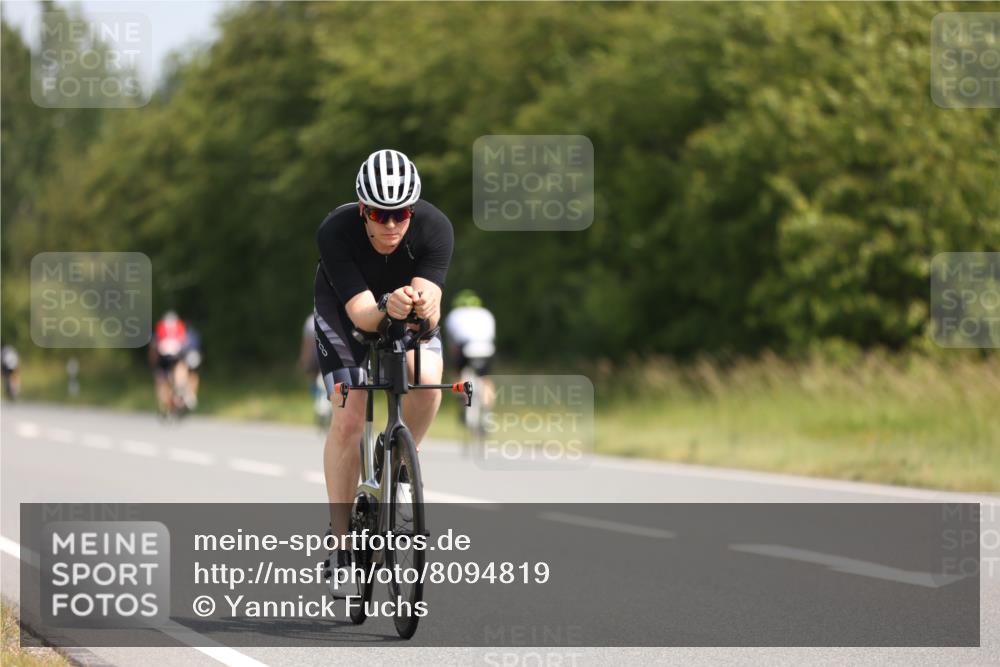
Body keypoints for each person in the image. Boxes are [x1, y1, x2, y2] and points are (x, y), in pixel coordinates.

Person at [314, 149, 453, 595]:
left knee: (428, 380)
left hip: (402, 312)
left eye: (401, 214)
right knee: (350, 414)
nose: (391, 225)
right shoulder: (336, 231)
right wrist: (385, 305)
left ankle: (399, 469)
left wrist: (425, 308)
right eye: (379, 214)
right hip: (344, 312)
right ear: (362, 210)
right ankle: (340, 544)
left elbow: (429, 315)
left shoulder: (435, 229)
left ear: (414, 210)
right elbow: (360, 315)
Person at [148, 311, 190, 415]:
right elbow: (185, 343)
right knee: (181, 367)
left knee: (161, 380)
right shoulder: (180, 326)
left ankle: (163, 404)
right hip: (176, 355)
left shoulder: (160, 327)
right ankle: (180, 386)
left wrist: (153, 364)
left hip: (163, 357)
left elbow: (153, 348)